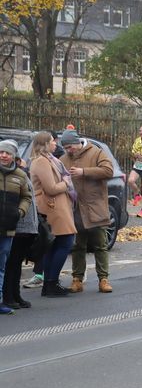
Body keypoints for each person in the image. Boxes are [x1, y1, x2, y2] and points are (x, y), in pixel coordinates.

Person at [59, 130, 115, 293]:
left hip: (94, 206)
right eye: (66, 148)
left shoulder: (97, 152)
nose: (68, 150)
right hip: (74, 209)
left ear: (77, 143)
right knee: (77, 246)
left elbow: (108, 171)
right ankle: (77, 280)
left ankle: (103, 279)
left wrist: (84, 172)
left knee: (100, 245)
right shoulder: (63, 159)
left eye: (70, 147)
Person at [29, 131, 77, 297]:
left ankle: (50, 283)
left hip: (57, 206)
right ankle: (51, 282)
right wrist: (66, 183)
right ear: (44, 144)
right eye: (52, 141)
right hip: (51, 207)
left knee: (55, 244)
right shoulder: (41, 161)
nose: (55, 143)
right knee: (65, 242)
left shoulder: (49, 159)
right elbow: (50, 188)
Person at [0, 140, 32, 314]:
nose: (4, 155)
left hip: (8, 228)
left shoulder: (20, 175)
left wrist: (20, 212)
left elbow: (27, 197)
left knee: (2, 266)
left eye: (7, 153)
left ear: (14, 156)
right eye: (1, 152)